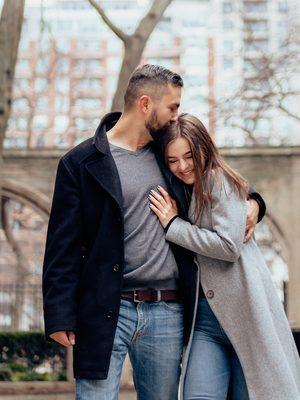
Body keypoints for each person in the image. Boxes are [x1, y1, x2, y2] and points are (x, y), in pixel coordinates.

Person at [42, 65, 265, 400]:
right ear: (146, 104)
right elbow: (63, 245)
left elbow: (221, 183)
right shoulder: (79, 163)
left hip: (167, 311)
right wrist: (59, 315)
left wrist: (256, 205)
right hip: (105, 310)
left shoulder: (170, 155)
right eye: (172, 107)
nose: (177, 116)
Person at [149, 113, 300, 400]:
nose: (182, 166)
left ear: (203, 147)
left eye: (189, 156)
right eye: (172, 160)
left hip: (245, 316)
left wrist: (173, 225)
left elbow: (229, 247)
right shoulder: (185, 188)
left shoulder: (219, 179)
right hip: (205, 321)